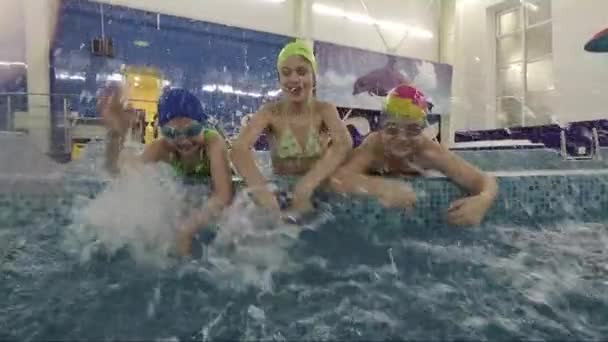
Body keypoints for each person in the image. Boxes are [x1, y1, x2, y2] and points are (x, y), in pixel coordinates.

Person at [330, 85, 498, 226]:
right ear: (381, 128)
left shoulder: (428, 151)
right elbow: (338, 179)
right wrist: (381, 187)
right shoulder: (375, 145)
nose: (402, 138)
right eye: (392, 129)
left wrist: (483, 201)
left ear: (422, 130)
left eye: (412, 130)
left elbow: (483, 180)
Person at [100, 86, 233, 255]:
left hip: (214, 197)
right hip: (191, 195)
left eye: (192, 131)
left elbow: (223, 195)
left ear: (203, 125)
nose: (184, 141)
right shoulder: (161, 148)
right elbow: (118, 173)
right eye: (171, 133)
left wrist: (187, 229)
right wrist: (115, 135)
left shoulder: (213, 142)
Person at [230, 39, 352, 216]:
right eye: (286, 73)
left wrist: (307, 185)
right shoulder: (270, 112)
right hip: (281, 194)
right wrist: (262, 191)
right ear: (279, 80)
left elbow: (344, 144)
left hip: (319, 192)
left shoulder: (324, 110)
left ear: (314, 78)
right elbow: (238, 150)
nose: (294, 79)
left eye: (302, 72)